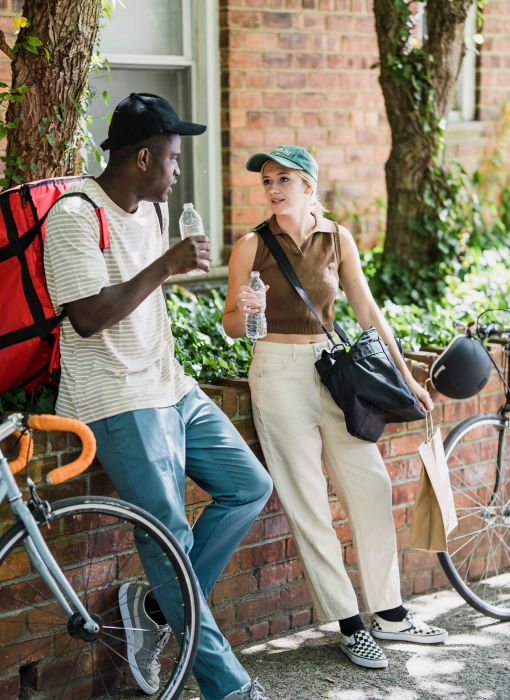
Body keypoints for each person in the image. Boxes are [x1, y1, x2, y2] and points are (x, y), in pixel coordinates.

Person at [44, 92, 273, 700]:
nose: (178, 171)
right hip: (113, 396)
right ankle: (228, 687)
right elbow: (89, 317)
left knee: (250, 486)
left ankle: (154, 608)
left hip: (170, 385)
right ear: (142, 157)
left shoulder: (150, 212)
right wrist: (166, 266)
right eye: (173, 158)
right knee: (168, 534)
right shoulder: (74, 215)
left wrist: (167, 262)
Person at [223, 145, 448, 670]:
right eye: (267, 181)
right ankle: (350, 624)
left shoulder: (337, 238)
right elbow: (232, 324)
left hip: (333, 370)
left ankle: (390, 614)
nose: (273, 188)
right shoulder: (249, 246)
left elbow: (365, 308)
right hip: (276, 371)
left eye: (284, 179)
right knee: (308, 502)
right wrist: (244, 309)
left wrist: (406, 375)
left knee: (371, 484)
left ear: (309, 186)